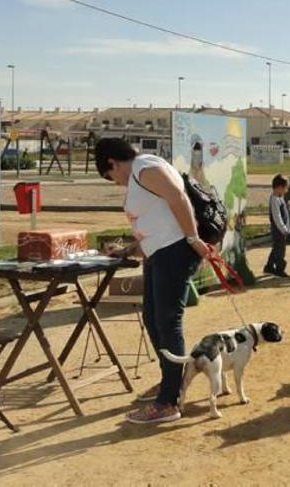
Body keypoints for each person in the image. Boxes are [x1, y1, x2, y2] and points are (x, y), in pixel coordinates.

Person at [94, 137, 209, 424]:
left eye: (111, 177)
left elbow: (177, 198)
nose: (116, 182)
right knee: (153, 319)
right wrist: (129, 250)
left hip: (174, 252)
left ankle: (169, 402)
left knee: (168, 322)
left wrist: (193, 238)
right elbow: (153, 224)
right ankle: (171, 380)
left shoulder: (144, 167)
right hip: (159, 254)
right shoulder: (137, 175)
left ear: (112, 162)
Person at [265, 174, 290, 277]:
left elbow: (282, 212)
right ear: (280, 188)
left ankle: (269, 267)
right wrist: (284, 229)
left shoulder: (280, 197)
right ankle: (280, 269)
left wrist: (288, 206)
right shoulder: (275, 199)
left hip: (280, 229)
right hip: (278, 230)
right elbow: (277, 217)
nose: (287, 191)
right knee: (280, 250)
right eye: (286, 188)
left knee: (276, 248)